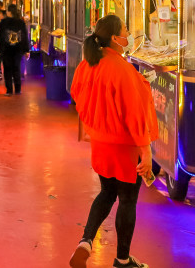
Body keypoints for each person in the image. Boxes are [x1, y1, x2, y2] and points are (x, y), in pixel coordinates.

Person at [69, 15, 157, 268]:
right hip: (126, 147)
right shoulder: (122, 69)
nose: (128, 35)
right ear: (115, 38)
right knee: (128, 200)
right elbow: (135, 115)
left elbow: (76, 94)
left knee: (107, 192)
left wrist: (96, 120)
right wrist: (147, 152)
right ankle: (122, 259)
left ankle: (85, 241)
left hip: (100, 143)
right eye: (126, 31)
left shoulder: (88, 65)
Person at [0, 4, 30, 96]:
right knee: (17, 68)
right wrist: (26, 50)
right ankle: (18, 89)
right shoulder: (21, 22)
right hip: (18, 49)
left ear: (9, 12)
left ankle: (9, 90)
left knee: (7, 69)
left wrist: (0, 48)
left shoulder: (3, 23)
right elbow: (24, 37)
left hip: (6, 49)